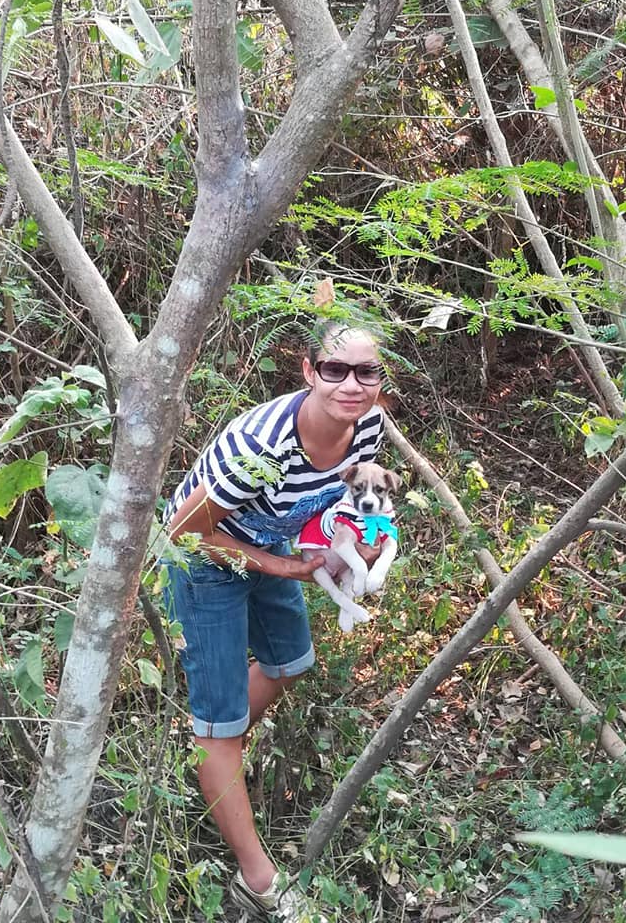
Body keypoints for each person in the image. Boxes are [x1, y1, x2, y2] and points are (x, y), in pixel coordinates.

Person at [162, 323, 386, 922]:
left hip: (273, 549)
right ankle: (257, 879)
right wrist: (282, 565)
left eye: (366, 373)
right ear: (310, 371)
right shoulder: (260, 446)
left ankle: (212, 755)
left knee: (291, 662)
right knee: (222, 726)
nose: (351, 385)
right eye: (335, 370)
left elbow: (346, 502)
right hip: (205, 561)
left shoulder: (365, 426)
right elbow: (183, 533)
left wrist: (353, 547)